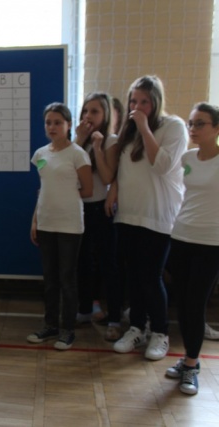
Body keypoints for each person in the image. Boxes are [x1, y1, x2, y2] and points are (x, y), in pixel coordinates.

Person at [110, 75, 187, 360]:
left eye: (144, 101)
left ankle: (160, 332)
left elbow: (163, 165)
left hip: (157, 216)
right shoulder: (128, 131)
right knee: (134, 276)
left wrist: (144, 128)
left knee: (151, 278)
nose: (137, 107)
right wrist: (113, 189)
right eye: (133, 101)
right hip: (128, 215)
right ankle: (137, 328)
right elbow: (123, 169)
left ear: (156, 102)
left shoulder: (173, 126)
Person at [28, 102, 93, 350]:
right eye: (48, 122)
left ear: (68, 125)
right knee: (50, 279)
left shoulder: (78, 154)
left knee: (67, 278)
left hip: (69, 225)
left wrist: (65, 197)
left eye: (57, 122)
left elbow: (87, 189)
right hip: (46, 222)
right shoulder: (40, 154)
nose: (52, 127)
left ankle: (67, 330)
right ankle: (50, 325)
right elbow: (42, 189)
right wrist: (35, 220)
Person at [165, 102, 219, 395]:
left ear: (217, 128)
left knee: (196, 303)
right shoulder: (187, 158)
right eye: (191, 123)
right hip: (181, 236)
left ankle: (191, 364)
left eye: (200, 123)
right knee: (183, 303)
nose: (193, 129)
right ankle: (186, 359)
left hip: (210, 243)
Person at [73, 93, 124, 341]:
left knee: (108, 264)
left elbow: (107, 177)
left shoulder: (110, 140)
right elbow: (69, 171)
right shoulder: (78, 140)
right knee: (83, 262)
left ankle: (114, 319)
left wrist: (96, 147)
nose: (88, 116)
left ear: (105, 115)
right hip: (80, 208)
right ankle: (84, 310)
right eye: (85, 111)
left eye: (94, 111)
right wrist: (79, 140)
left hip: (102, 209)